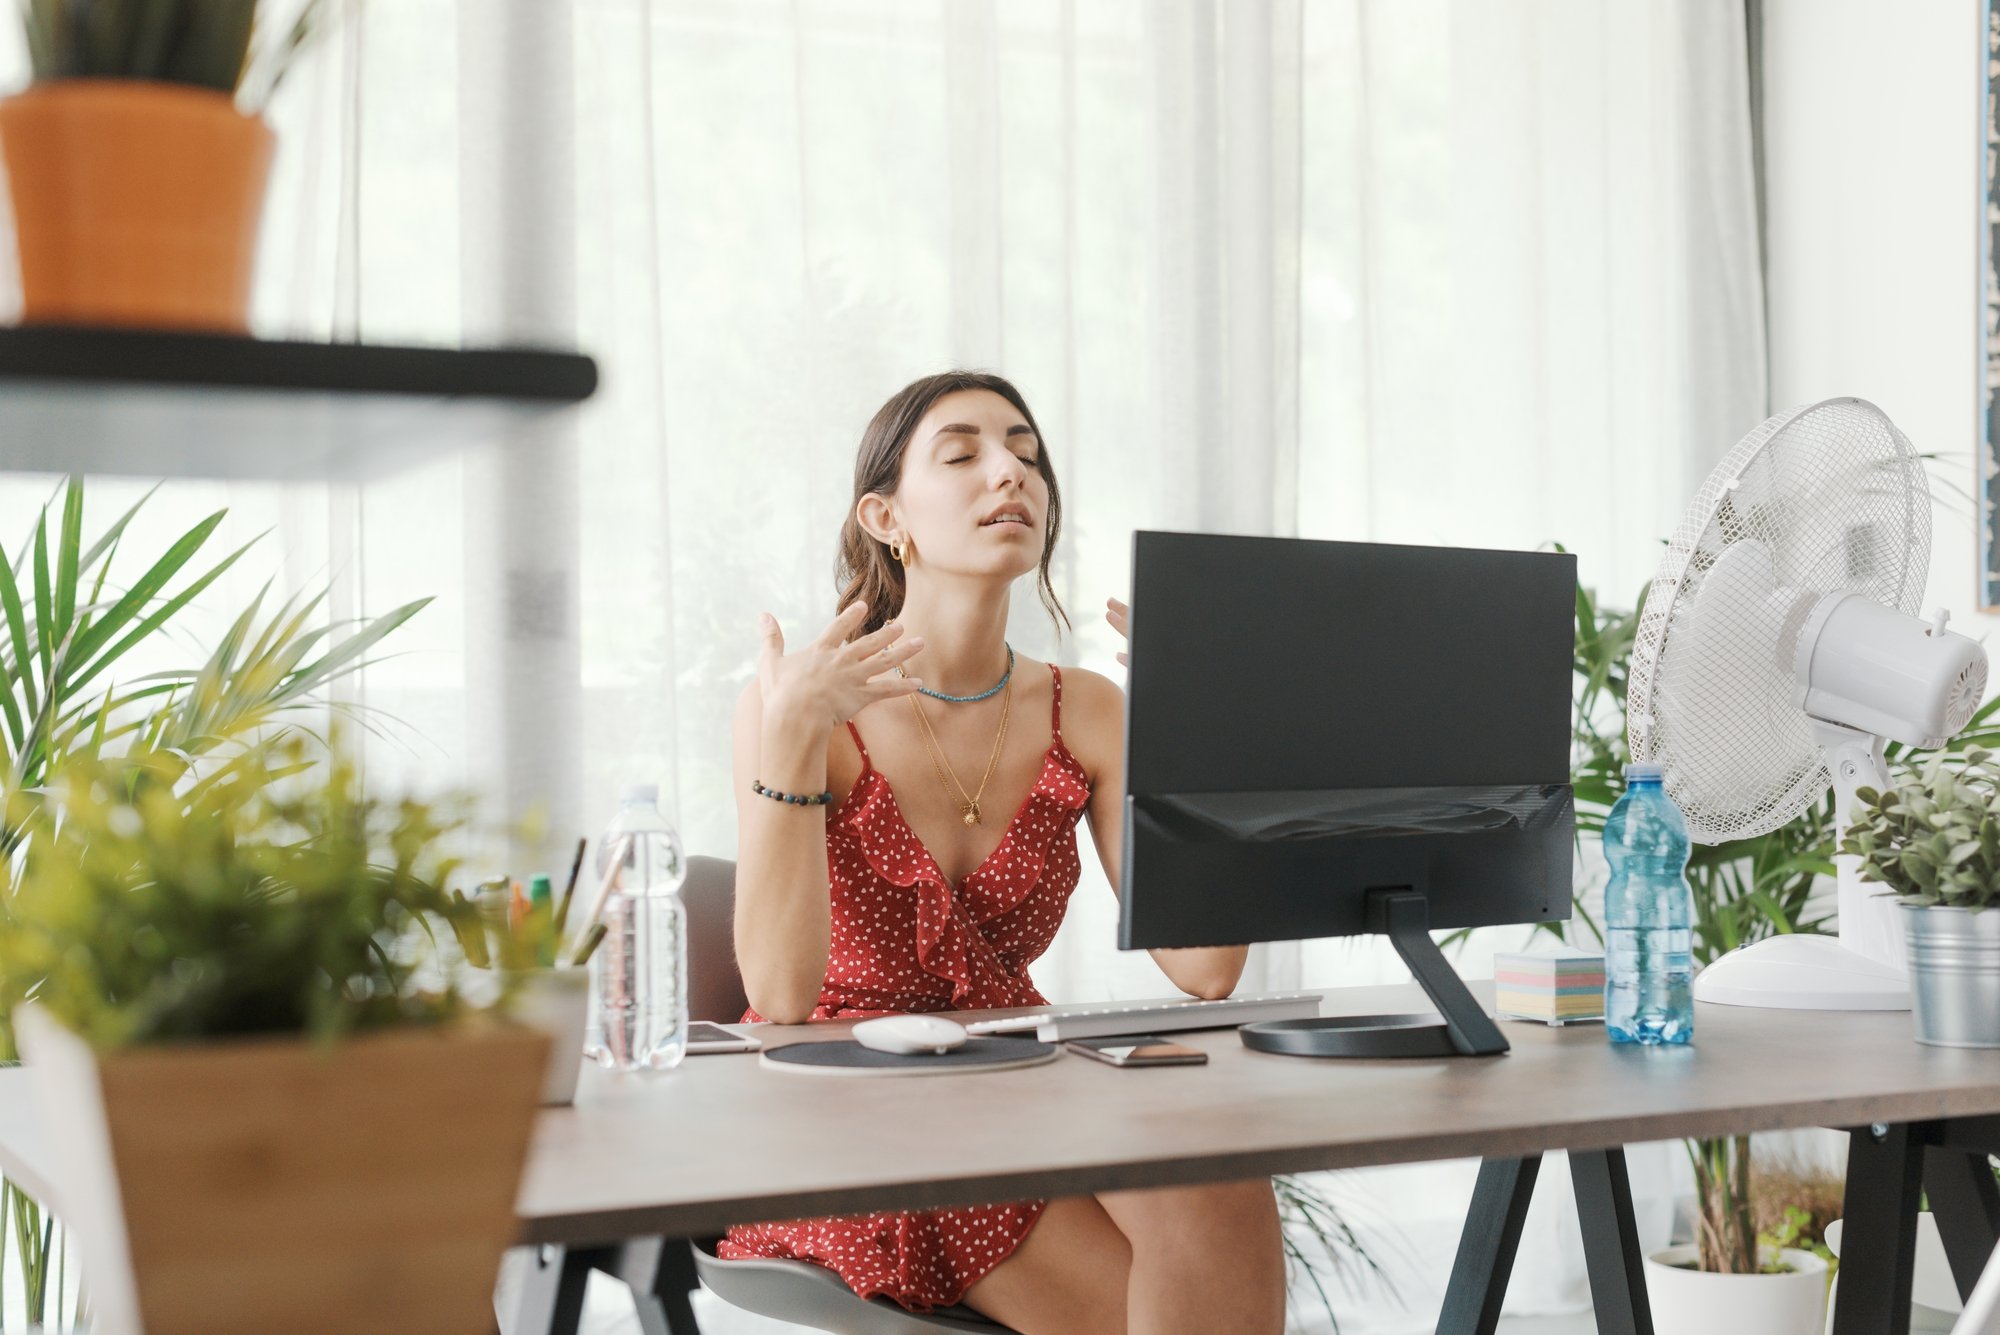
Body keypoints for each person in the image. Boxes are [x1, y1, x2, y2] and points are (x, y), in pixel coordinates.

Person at [719, 370, 1286, 1335]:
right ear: (885, 516)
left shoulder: (1089, 712)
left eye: (1027, 454)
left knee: (1217, 1172)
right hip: (842, 1100)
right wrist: (790, 736)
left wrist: (1195, 738)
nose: (1009, 474)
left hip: (1013, 1076)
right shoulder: (802, 704)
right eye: (964, 454)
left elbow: (1206, 968)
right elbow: (778, 992)